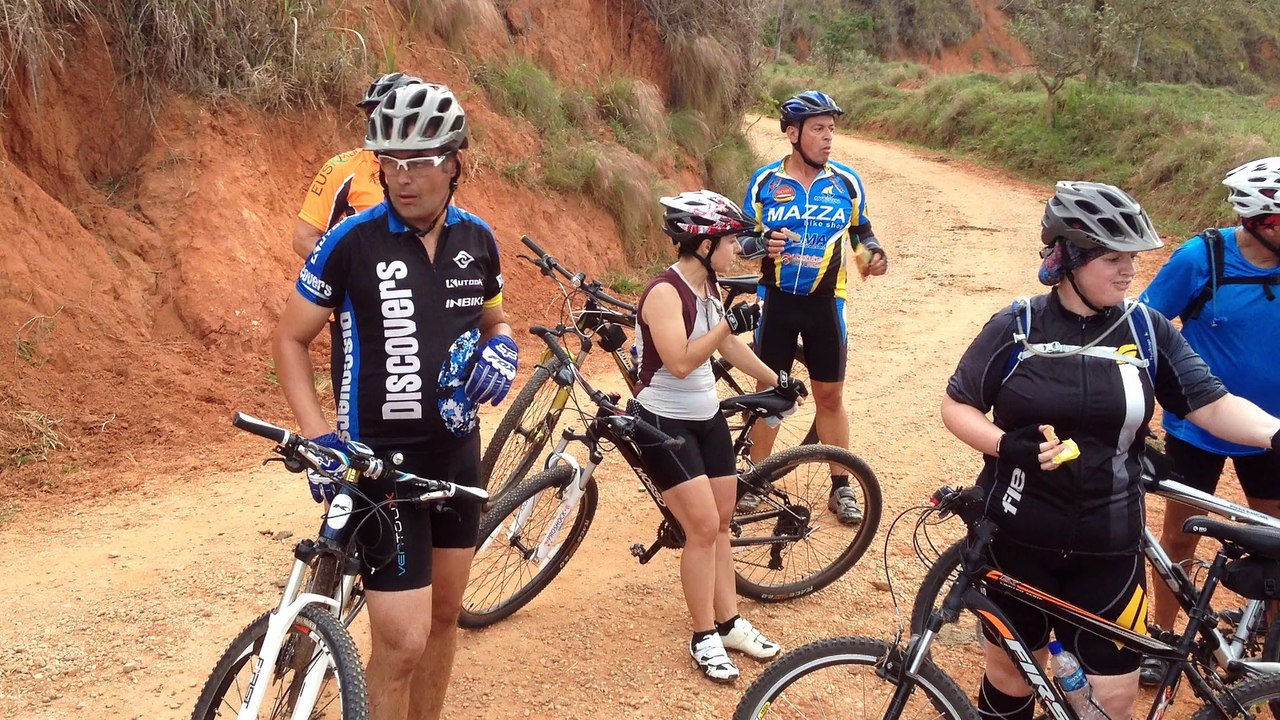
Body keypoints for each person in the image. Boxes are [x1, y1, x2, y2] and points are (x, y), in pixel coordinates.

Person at [941, 181, 1280, 720]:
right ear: (1069, 258)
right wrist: (1005, 444)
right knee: (1009, 678)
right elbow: (957, 405)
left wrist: (1275, 432)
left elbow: (1212, 404)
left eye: (1134, 259)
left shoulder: (1145, 330)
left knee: (1113, 700)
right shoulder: (1017, 325)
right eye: (1114, 259)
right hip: (1017, 536)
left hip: (1110, 545)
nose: (1130, 273)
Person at [273, 83, 516, 720]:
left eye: (421, 161)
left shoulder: (479, 240)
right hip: (380, 465)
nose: (403, 178)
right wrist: (320, 437)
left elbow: (494, 320)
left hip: (458, 459)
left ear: (456, 163)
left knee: (442, 622)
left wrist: (504, 346)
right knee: (402, 641)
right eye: (392, 163)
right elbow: (291, 338)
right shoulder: (350, 242)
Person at [632, 189, 807, 682]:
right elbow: (683, 362)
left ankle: (729, 623)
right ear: (704, 244)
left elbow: (727, 344)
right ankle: (703, 634)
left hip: (705, 418)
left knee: (723, 523)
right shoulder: (665, 293)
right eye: (729, 240)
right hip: (663, 422)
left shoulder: (707, 288)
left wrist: (777, 378)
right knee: (703, 529)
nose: (737, 249)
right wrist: (728, 322)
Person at [1137, 157, 1280, 684]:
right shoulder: (1203, 258)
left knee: (1275, 537)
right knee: (1178, 538)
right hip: (1196, 428)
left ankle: (1270, 646)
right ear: (1264, 222)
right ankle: (1162, 636)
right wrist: (1136, 413)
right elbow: (1143, 330)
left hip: (1272, 433)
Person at [739, 90, 888, 525]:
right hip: (777, 304)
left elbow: (862, 233)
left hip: (826, 306)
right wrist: (761, 244)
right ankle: (755, 480)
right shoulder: (765, 182)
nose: (828, 139)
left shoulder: (846, 182)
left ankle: (841, 486)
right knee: (770, 395)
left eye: (831, 130)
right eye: (818, 130)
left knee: (830, 395)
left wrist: (872, 257)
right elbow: (741, 240)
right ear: (792, 133)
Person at [292, 71, 422, 259]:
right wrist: (352, 272)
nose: (374, 123)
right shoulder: (342, 168)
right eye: (371, 116)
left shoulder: (433, 170)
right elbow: (303, 239)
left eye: (384, 116)